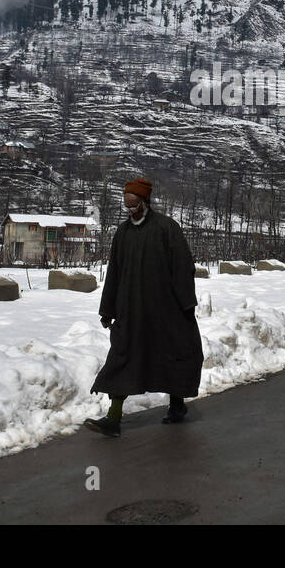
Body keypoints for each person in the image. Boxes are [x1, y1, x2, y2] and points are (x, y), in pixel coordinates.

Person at [84, 176, 203, 437]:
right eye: (126, 205)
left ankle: (176, 406)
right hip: (132, 312)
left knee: (173, 355)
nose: (130, 210)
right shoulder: (123, 233)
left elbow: (183, 267)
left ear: (145, 202)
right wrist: (108, 308)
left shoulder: (167, 228)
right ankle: (113, 418)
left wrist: (186, 305)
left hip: (166, 311)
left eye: (134, 204)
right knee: (122, 357)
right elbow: (114, 272)